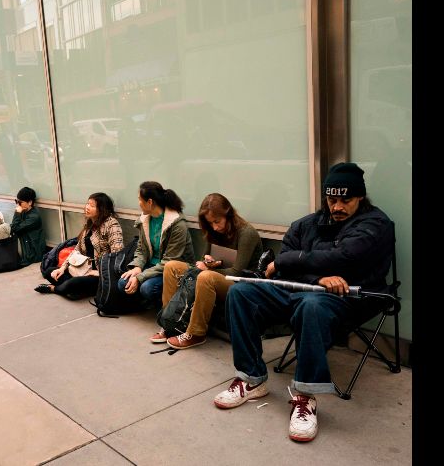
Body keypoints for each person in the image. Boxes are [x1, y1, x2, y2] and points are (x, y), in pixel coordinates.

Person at [213, 162, 394, 443]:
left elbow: (346, 258)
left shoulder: (376, 224)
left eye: (346, 200)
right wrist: (317, 277)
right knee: (241, 293)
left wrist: (290, 261)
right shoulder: (305, 225)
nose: (337, 207)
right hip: (303, 289)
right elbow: (284, 271)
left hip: (351, 297)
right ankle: (251, 378)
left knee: (311, 304)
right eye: (331, 199)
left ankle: (305, 397)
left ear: (360, 196)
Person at [149, 193, 263, 349]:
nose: (215, 227)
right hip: (217, 274)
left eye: (217, 221)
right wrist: (208, 262)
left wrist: (209, 268)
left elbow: (237, 272)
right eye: (210, 223)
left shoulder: (246, 233)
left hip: (240, 284)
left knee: (205, 276)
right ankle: (169, 323)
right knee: (171, 267)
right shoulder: (213, 231)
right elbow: (204, 260)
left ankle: (196, 333)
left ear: (228, 214)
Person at [35, 193, 123, 300]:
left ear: (102, 209)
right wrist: (62, 268)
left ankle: (55, 289)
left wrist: (100, 272)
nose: (87, 207)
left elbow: (117, 254)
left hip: (100, 275)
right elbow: (77, 250)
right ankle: (72, 290)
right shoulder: (90, 224)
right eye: (87, 204)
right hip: (83, 269)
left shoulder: (112, 224)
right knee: (50, 272)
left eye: (92, 205)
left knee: (71, 283)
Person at [118, 181, 194, 306]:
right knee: (122, 283)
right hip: (151, 266)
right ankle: (142, 303)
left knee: (147, 288)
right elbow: (141, 249)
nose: (138, 203)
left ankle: (164, 305)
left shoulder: (177, 225)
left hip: (170, 271)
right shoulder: (145, 220)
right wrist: (137, 267)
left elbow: (169, 262)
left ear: (150, 202)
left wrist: (140, 277)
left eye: (140, 199)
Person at [0, 187, 46, 266]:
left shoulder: (34, 217)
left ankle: (6, 259)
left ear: (30, 202)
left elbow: (14, 228)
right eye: (16, 201)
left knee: (3, 227)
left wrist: (17, 213)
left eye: (20, 202)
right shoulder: (23, 211)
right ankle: (1, 256)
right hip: (23, 242)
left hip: (31, 252)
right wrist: (0, 222)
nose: (17, 204)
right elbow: (15, 227)